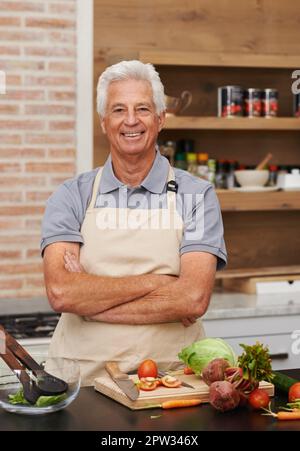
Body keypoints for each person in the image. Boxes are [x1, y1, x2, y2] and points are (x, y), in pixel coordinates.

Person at [41, 60, 227, 386]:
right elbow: (60, 293)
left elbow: (193, 298)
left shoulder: (196, 195)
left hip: (173, 382)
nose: (130, 120)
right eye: (118, 110)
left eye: (142, 108)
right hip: (80, 383)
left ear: (160, 119)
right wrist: (163, 283)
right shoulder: (71, 196)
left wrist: (90, 302)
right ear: (104, 122)